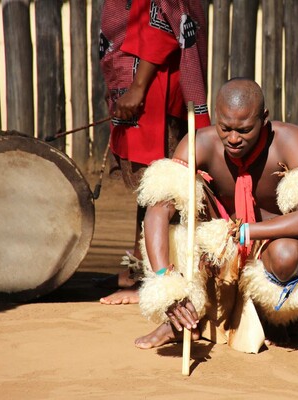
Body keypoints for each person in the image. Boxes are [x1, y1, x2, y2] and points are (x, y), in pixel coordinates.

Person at [133, 78, 298, 351]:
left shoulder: (290, 140)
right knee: (178, 235)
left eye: (244, 130)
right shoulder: (200, 143)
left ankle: (273, 314)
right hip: (217, 253)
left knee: (286, 255)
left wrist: (244, 233)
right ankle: (181, 318)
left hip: (270, 243)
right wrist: (165, 285)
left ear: (264, 119)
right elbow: (157, 212)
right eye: (225, 128)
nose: (233, 138)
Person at [97, 0, 210, 305]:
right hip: (142, 85)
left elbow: (160, 27)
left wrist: (138, 87)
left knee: (162, 184)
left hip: (152, 89)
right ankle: (136, 268)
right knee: (149, 188)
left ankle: (157, 276)